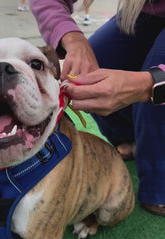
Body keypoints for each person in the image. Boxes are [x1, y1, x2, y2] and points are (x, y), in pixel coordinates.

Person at [30, 0, 165, 216]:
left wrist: (149, 85)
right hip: (149, 9)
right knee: (98, 58)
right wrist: (72, 37)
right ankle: (133, 138)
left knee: (154, 101)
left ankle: (159, 186)